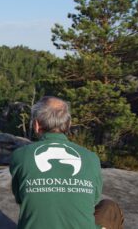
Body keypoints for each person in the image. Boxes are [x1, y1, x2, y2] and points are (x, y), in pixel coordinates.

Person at [10, 96, 124, 229]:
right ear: (68, 124)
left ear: (36, 125)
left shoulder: (19, 156)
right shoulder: (91, 158)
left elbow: (21, 198)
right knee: (109, 208)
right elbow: (93, 200)